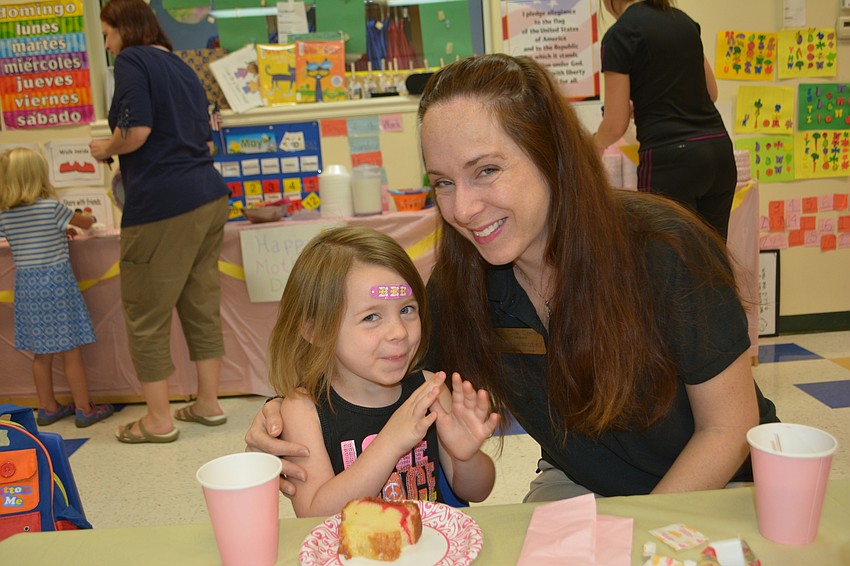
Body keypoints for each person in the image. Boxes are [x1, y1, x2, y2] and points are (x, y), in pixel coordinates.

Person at [247, 53, 778, 501]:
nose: (464, 208)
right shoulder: (463, 289)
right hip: (581, 483)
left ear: (552, 156)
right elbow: (384, 361)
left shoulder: (663, 250)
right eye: (443, 183)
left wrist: (643, 535)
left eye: (486, 170)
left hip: (723, 485)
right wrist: (285, 412)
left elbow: (728, 429)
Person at [267, 225, 497, 517]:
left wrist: (466, 457)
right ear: (317, 331)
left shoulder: (430, 390)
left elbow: (477, 491)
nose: (398, 332)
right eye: (372, 316)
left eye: (406, 310)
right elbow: (313, 516)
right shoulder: (303, 411)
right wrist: (390, 441)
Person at [89, 0, 231, 443]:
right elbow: (204, 138)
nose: (109, 46)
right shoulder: (181, 66)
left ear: (125, 29)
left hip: (162, 206)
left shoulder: (132, 59)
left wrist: (105, 147)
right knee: (200, 303)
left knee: (145, 313)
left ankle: (157, 420)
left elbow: (136, 132)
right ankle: (208, 404)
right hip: (208, 195)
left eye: (108, 34)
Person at [593, 0, 737, 240]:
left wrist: (593, 145)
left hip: (672, 161)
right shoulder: (684, 23)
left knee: (665, 262)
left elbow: (615, 124)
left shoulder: (621, 34)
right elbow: (711, 93)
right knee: (713, 261)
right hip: (719, 152)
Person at [0, 148, 114, 428]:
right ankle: (84, 408)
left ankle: (48, 407)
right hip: (57, 285)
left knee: (41, 354)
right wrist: (70, 224)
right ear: (39, 176)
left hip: (27, 287)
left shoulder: (6, 215)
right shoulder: (52, 207)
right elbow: (86, 222)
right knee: (71, 350)